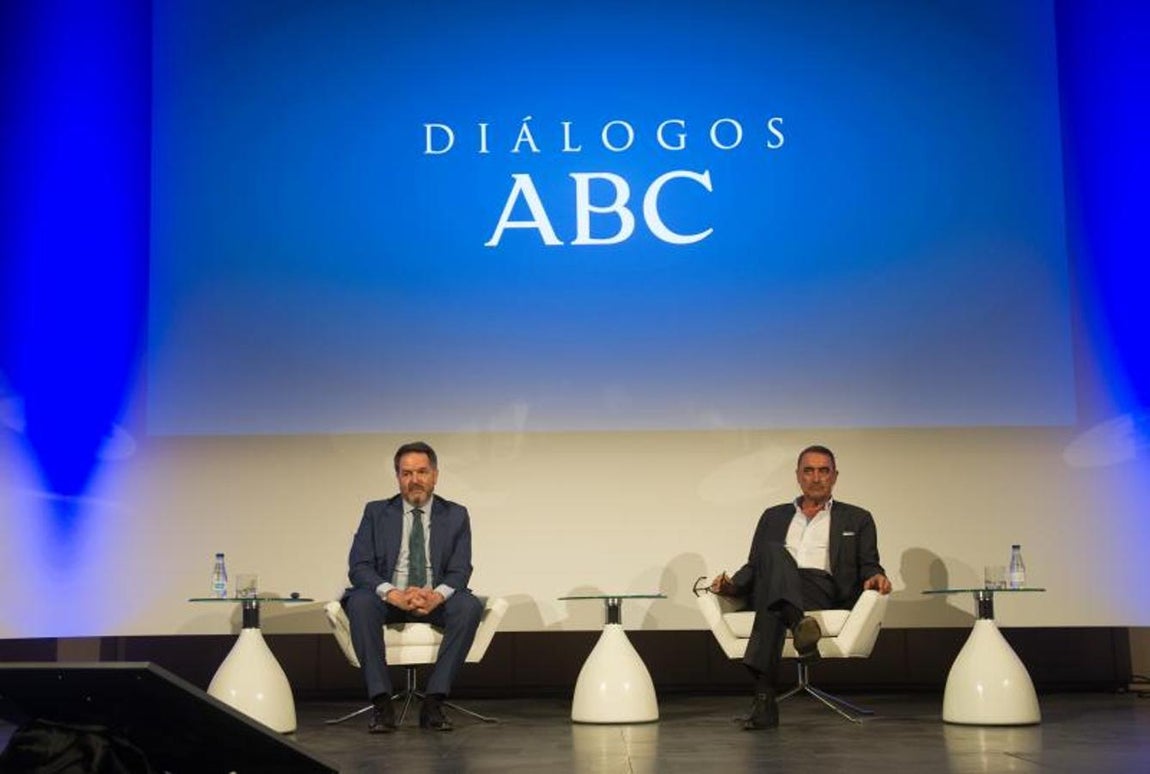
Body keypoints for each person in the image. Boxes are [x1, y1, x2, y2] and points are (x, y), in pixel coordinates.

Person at [710, 444, 892, 730]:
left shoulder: (858, 518)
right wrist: (731, 587)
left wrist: (877, 575)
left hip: (820, 588)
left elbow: (869, 563)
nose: (816, 477)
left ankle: (764, 699)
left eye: (823, 471)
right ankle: (799, 623)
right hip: (773, 583)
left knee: (773, 600)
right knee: (772, 554)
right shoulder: (773, 515)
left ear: (834, 476)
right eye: (809, 470)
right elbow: (754, 565)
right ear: (798, 475)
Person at [341, 441, 484, 733]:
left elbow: (460, 569)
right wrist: (391, 593)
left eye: (422, 472)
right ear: (398, 478)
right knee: (360, 602)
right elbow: (359, 566)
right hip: (390, 599)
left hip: (435, 600)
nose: (415, 480)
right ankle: (381, 704)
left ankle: (434, 701)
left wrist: (435, 596)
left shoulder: (456, 514)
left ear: (435, 475)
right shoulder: (377, 512)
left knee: (468, 606)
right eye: (406, 473)